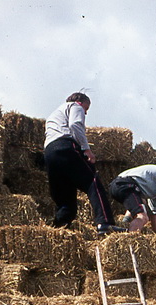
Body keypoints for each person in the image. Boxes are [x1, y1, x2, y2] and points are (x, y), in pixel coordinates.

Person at [43, 92, 122, 234]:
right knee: (92, 181)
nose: (85, 113)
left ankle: (58, 230)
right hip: (65, 146)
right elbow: (75, 124)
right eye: (86, 109)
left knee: (65, 200)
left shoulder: (53, 116)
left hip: (49, 153)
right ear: (81, 102)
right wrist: (86, 149)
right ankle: (105, 223)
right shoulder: (75, 106)